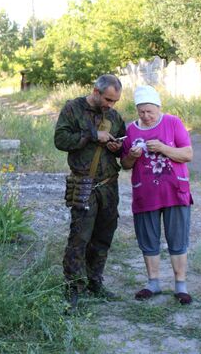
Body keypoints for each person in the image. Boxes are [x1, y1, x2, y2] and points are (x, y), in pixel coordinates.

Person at [54, 74, 126, 309]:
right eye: (108, 99)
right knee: (79, 238)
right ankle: (73, 288)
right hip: (84, 184)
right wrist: (94, 136)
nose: (110, 105)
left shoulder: (114, 117)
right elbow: (61, 140)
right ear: (95, 91)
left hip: (109, 184)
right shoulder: (73, 109)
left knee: (104, 236)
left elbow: (121, 148)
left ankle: (95, 281)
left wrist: (117, 147)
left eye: (114, 101)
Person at [120, 85, 194, 305]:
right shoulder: (131, 130)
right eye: (141, 111)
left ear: (159, 107)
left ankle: (180, 285)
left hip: (175, 191)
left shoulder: (173, 123)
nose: (146, 116)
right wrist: (132, 156)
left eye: (150, 111)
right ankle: (153, 283)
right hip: (145, 193)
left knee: (177, 239)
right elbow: (124, 164)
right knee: (148, 239)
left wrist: (162, 147)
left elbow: (187, 154)